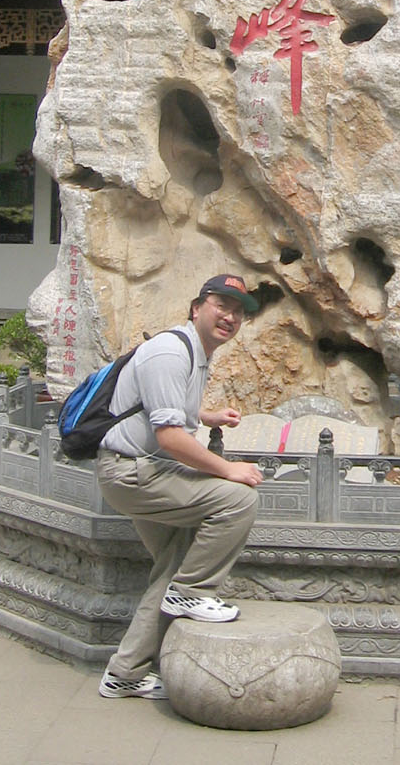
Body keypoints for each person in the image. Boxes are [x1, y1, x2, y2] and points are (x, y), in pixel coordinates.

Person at [96, 273, 263, 701]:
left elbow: (164, 408)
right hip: (133, 473)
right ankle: (192, 592)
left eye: (238, 311)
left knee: (173, 569)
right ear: (196, 307)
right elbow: (170, 437)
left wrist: (207, 417)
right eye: (221, 305)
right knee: (238, 500)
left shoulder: (195, 351)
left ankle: (125, 673)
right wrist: (227, 469)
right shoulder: (170, 351)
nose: (230, 317)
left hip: (145, 470)